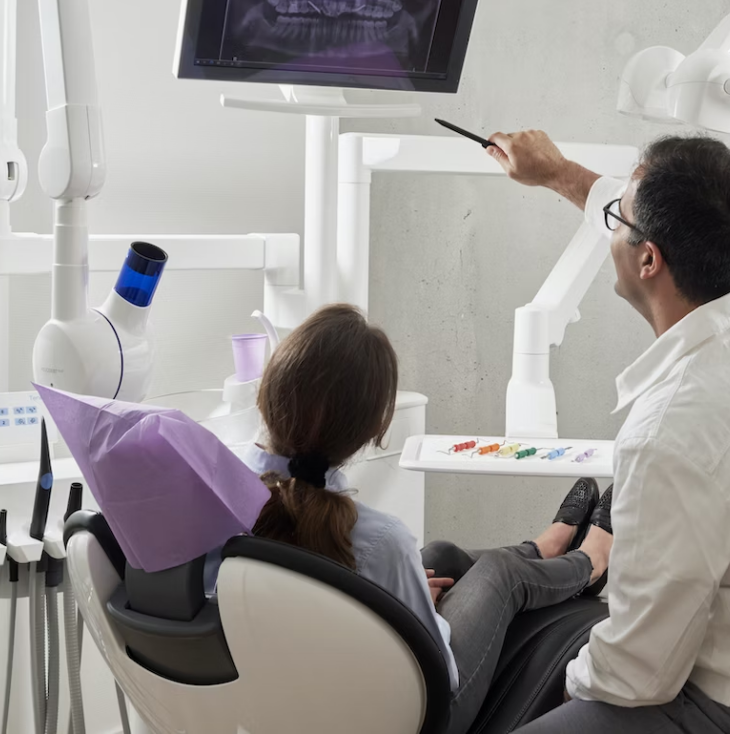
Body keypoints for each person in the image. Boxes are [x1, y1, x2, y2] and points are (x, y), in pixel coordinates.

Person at [483, 132, 730, 733]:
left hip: (725, 707)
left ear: (649, 260)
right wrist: (556, 172)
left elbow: (636, 675)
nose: (612, 217)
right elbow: (651, 212)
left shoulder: (675, 433)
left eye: (619, 217)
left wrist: (562, 687)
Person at [242, 303, 615, 734]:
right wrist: (420, 618)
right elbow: (440, 670)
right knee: (499, 573)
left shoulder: (225, 501)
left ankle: (543, 549)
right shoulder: (381, 541)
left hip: (301, 701)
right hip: (415, 717)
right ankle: (590, 563)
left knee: (439, 555)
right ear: (372, 432)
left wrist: (404, 600)